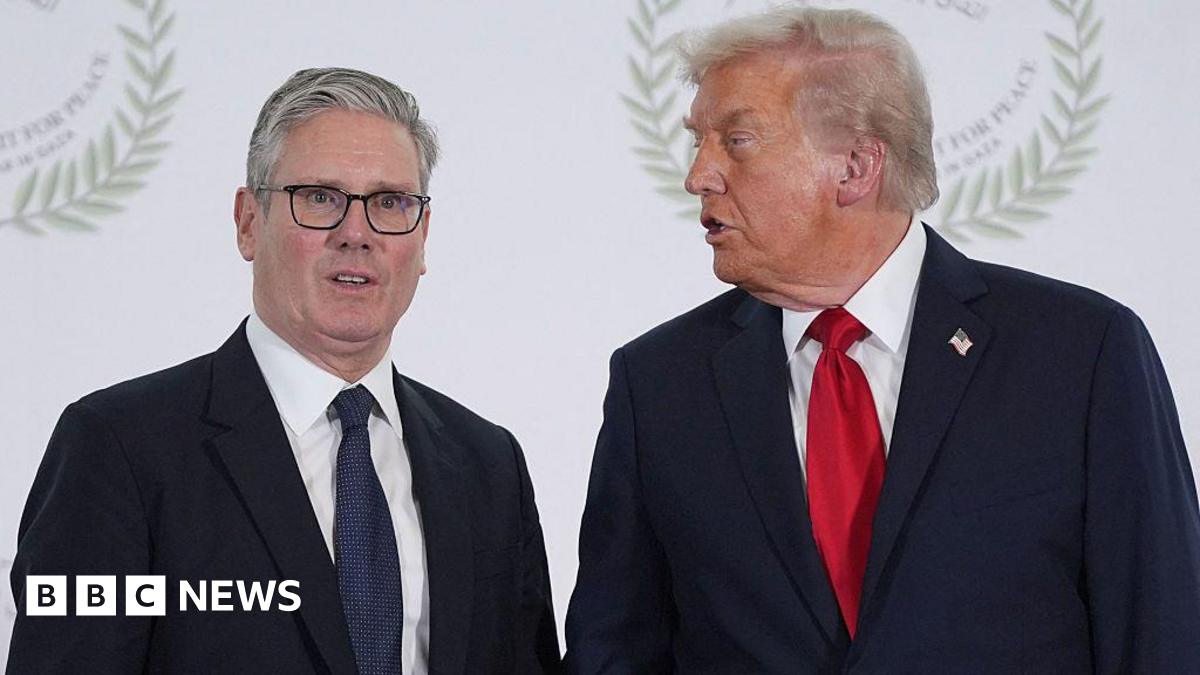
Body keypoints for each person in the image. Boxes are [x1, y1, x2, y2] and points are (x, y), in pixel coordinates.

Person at [565, 7, 1200, 672]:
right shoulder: (662, 383)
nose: (699, 174)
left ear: (857, 166)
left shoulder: (1080, 354)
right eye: (699, 140)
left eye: (738, 140)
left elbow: (1157, 633)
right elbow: (614, 650)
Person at [8, 67, 560, 674]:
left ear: (422, 236)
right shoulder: (119, 448)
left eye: (390, 202)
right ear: (248, 222)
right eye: (320, 198)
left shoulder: (488, 465)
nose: (357, 234)